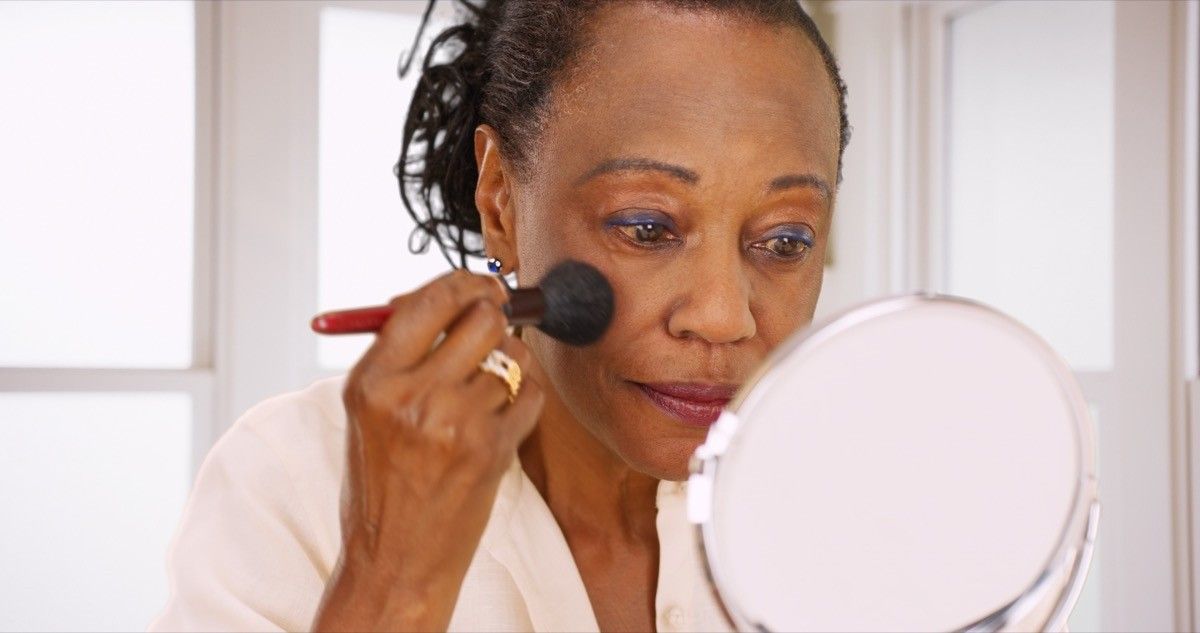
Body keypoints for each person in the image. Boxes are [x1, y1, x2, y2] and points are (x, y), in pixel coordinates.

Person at [151, 0, 848, 630]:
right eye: (645, 226)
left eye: (785, 240)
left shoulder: (846, 501)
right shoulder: (292, 480)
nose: (724, 316)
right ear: (499, 203)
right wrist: (394, 579)